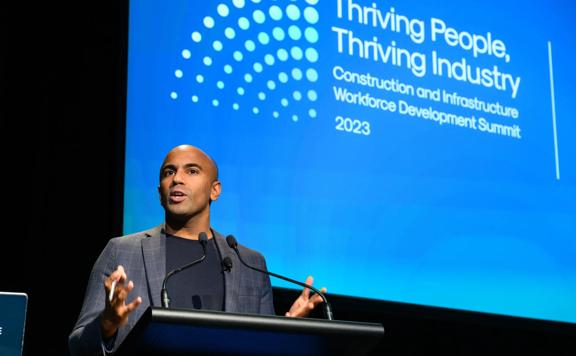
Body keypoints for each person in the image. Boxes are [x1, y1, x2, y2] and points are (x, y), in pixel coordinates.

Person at [69, 144, 327, 356]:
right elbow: (78, 346)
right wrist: (107, 324)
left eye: (191, 171)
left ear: (215, 190)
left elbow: (262, 349)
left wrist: (287, 331)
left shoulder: (249, 263)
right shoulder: (123, 251)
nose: (177, 179)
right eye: (169, 172)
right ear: (160, 193)